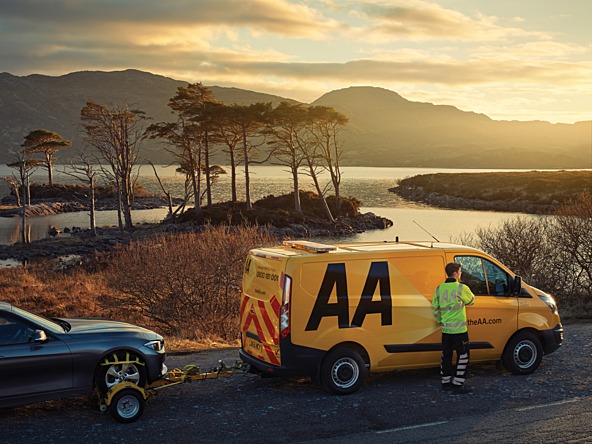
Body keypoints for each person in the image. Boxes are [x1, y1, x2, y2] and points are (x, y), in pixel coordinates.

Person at [432, 262, 475, 394]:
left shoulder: (439, 289)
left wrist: (441, 321)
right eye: (460, 271)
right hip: (460, 331)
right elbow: (471, 300)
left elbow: (435, 309)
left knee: (446, 355)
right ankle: (457, 384)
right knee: (463, 356)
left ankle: (445, 383)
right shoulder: (461, 288)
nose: (461, 273)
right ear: (455, 273)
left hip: (446, 330)